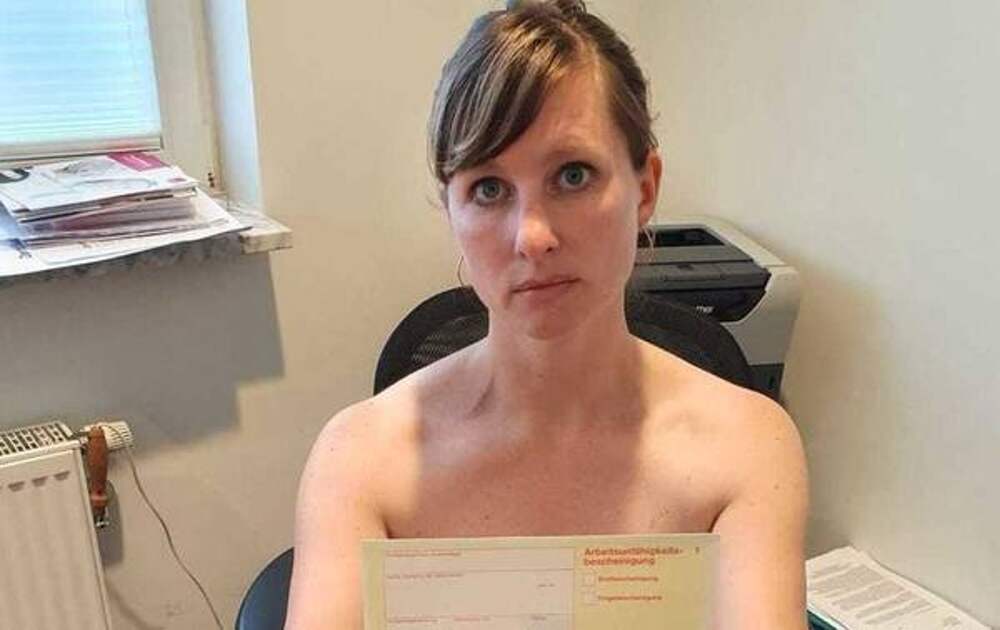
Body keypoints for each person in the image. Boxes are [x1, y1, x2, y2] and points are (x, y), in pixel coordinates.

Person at [284, 1, 809, 628]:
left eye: (573, 175)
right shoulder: (359, 459)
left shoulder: (746, 446)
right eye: (488, 189)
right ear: (451, 212)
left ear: (644, 188)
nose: (532, 236)